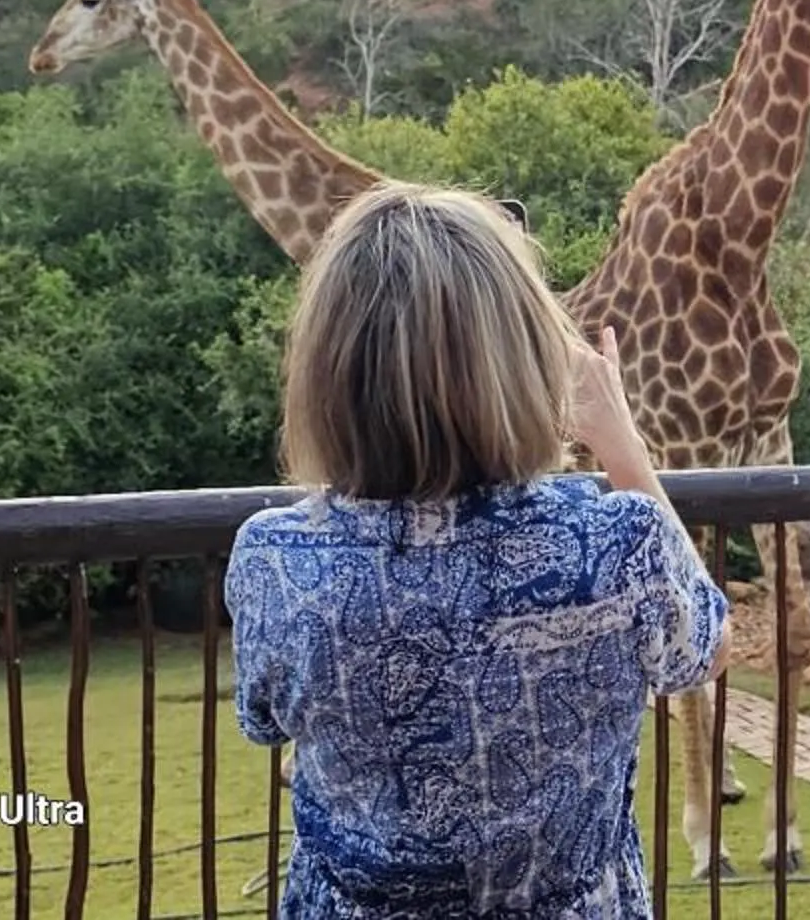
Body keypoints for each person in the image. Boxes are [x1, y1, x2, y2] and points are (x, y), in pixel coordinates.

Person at [225, 180, 726, 917]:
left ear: (329, 373)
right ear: (523, 359)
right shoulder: (617, 543)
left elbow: (263, 719)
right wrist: (621, 442)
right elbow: (703, 650)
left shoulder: (275, 560)